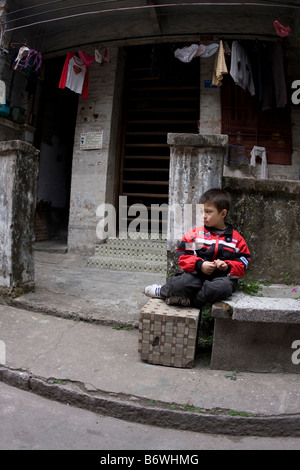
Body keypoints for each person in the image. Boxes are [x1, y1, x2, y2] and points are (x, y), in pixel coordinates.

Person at [144, 188, 251, 310]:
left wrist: (227, 266)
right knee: (180, 284)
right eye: (201, 211)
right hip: (196, 276)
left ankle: (190, 301)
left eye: (208, 212)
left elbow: (244, 261)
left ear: (223, 213)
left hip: (221, 278)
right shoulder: (196, 235)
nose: (203, 216)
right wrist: (200, 265)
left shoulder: (236, 239)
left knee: (222, 288)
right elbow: (183, 255)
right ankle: (163, 291)